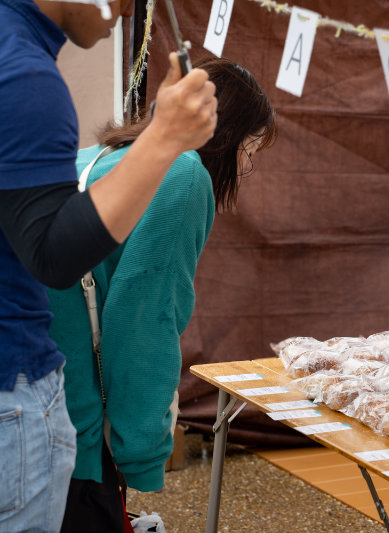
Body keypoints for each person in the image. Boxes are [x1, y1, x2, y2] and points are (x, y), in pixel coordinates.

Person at [0, 0, 216, 530]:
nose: (127, 10)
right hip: (17, 390)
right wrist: (165, 140)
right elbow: (137, 315)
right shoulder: (25, 74)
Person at [46, 56, 276, 532]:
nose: (247, 165)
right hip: (74, 427)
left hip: (31, 399)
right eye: (250, 151)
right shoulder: (184, 174)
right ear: (225, 135)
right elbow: (144, 321)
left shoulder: (96, 157)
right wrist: (143, 452)